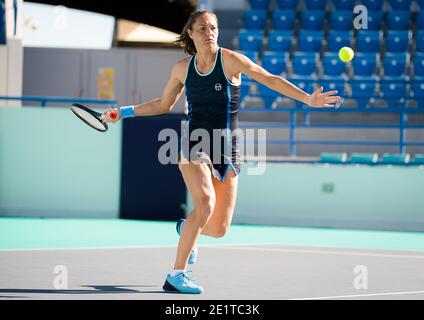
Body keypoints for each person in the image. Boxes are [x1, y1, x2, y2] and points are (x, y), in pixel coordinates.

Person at [103, 10, 341, 294]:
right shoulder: (182, 68)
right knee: (205, 203)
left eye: (213, 27)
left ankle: (185, 230)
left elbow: (270, 79)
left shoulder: (230, 60)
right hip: (194, 141)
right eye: (202, 28)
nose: (209, 33)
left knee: (218, 229)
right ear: (190, 33)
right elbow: (163, 104)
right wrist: (124, 112)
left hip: (228, 148)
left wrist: (307, 99)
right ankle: (176, 275)